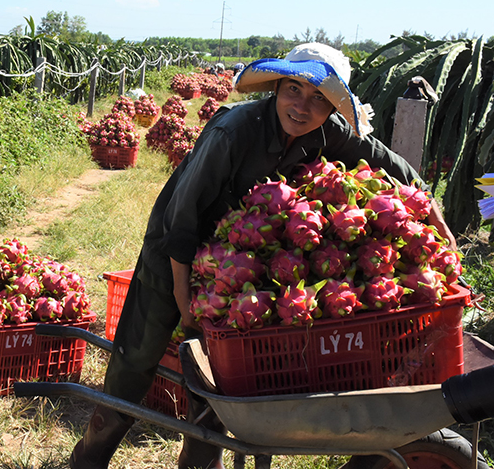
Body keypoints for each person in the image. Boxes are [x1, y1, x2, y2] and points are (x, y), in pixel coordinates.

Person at [69, 43, 456, 469]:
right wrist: (182, 293)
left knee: (220, 379)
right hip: (174, 256)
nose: (301, 106)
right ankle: (90, 455)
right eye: (293, 89)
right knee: (136, 361)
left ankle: (200, 463)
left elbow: (390, 162)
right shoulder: (233, 131)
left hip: (239, 271)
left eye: (318, 99)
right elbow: (182, 214)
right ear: (276, 87)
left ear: (331, 109)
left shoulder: (330, 133)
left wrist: (433, 213)